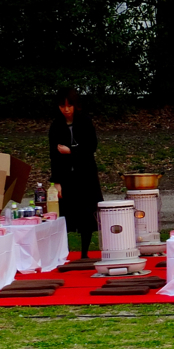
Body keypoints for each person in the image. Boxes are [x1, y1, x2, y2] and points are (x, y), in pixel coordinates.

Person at [48, 88, 103, 260]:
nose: (66, 110)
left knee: (87, 212)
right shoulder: (56, 126)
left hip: (85, 174)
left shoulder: (85, 121)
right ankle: (63, 252)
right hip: (66, 176)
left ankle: (85, 253)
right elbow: (53, 155)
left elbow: (91, 147)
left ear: (75, 106)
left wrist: (71, 151)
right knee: (66, 213)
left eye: (69, 106)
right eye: (62, 106)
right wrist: (56, 181)